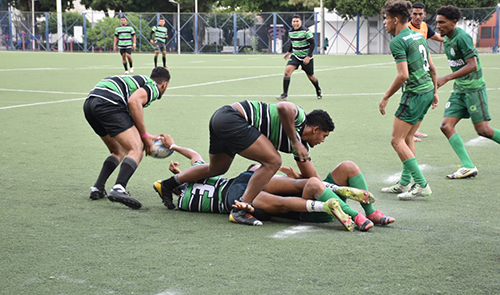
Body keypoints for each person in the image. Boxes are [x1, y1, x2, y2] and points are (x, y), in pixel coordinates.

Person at [154, 135, 394, 231]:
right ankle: (342, 206)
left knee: (296, 193)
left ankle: (361, 212)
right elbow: (195, 157)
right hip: (238, 188)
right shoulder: (197, 178)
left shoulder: (185, 201)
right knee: (308, 186)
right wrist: (174, 147)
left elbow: (173, 180)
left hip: (235, 197)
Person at [156, 100, 334, 225]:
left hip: (220, 119)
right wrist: (295, 141)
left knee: (217, 168)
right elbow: (283, 107)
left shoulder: (301, 149)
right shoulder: (300, 119)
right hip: (232, 118)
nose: (323, 141)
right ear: (316, 129)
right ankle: (240, 209)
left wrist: (329, 193)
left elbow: (314, 179)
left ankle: (168, 185)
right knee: (273, 161)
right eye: (324, 136)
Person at [84, 67, 171, 209]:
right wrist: (144, 136)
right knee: (136, 150)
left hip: (90, 104)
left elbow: (129, 120)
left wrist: (145, 137)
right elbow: (134, 102)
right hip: (109, 103)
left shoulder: (137, 82)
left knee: (118, 150)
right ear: (164, 84)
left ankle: (98, 188)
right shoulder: (153, 87)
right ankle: (119, 188)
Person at [379, 1, 439, 200]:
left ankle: (421, 184)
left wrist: (386, 97)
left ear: (395, 19)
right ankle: (405, 183)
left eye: (386, 19)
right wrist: (435, 92)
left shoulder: (397, 41)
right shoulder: (419, 36)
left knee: (396, 140)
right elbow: (432, 67)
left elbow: (403, 75)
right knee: (408, 137)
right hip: (427, 90)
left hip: (414, 94)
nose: (385, 23)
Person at [436, 5, 500, 179]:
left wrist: (446, 78)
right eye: (437, 22)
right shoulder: (447, 40)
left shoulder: (462, 37)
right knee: (446, 126)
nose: (438, 26)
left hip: (474, 89)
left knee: (484, 130)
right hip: (460, 90)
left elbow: (472, 65)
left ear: (454, 22)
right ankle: (468, 166)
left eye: (442, 22)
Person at [408, 2, 445, 142]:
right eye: (415, 14)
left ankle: (414, 130)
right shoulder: (407, 28)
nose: (417, 16)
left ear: (424, 14)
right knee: (412, 99)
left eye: (420, 14)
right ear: (411, 14)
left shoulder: (424, 27)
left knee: (425, 98)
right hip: (413, 70)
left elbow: (440, 38)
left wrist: (453, 38)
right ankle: (408, 132)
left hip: (424, 68)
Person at [277, 15, 322, 101]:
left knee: (311, 76)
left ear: (300, 22)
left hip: (306, 57)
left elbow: (312, 44)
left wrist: (308, 56)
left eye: (297, 21)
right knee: (287, 72)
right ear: (292, 23)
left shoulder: (306, 32)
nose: (295, 23)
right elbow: (292, 43)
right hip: (295, 56)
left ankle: (318, 89)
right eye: (294, 21)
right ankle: (284, 94)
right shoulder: (290, 32)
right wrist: (288, 52)